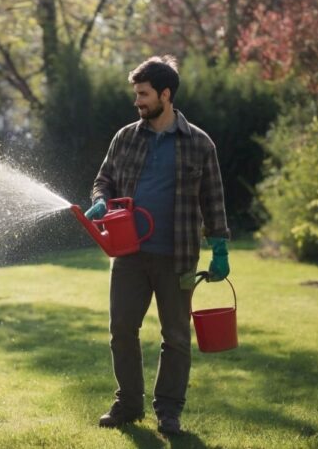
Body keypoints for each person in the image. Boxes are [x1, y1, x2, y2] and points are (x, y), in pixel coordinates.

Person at [85, 55, 230, 435]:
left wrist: (220, 250)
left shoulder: (200, 144)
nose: (138, 102)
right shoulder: (126, 137)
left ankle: (169, 412)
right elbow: (105, 178)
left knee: (177, 337)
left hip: (178, 257)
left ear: (166, 94)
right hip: (129, 254)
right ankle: (128, 404)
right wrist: (101, 198)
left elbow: (213, 201)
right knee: (121, 330)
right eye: (136, 94)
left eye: (144, 94)